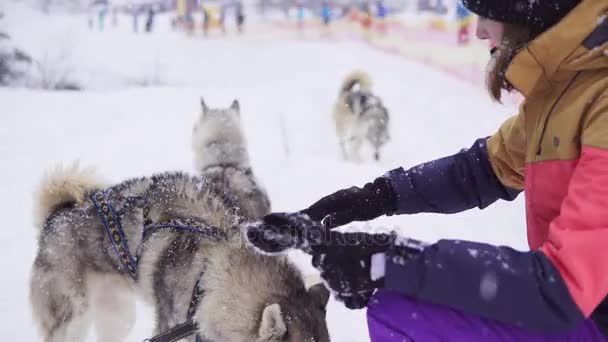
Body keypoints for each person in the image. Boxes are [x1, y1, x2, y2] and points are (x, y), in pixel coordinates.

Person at [246, 0, 608, 340]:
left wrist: (388, 260)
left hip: (588, 315)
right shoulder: (565, 92)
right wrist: (374, 197)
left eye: (487, 13)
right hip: (580, 310)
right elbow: (482, 170)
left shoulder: (600, 98)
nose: (479, 31)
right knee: (399, 303)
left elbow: (559, 286)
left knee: (401, 308)